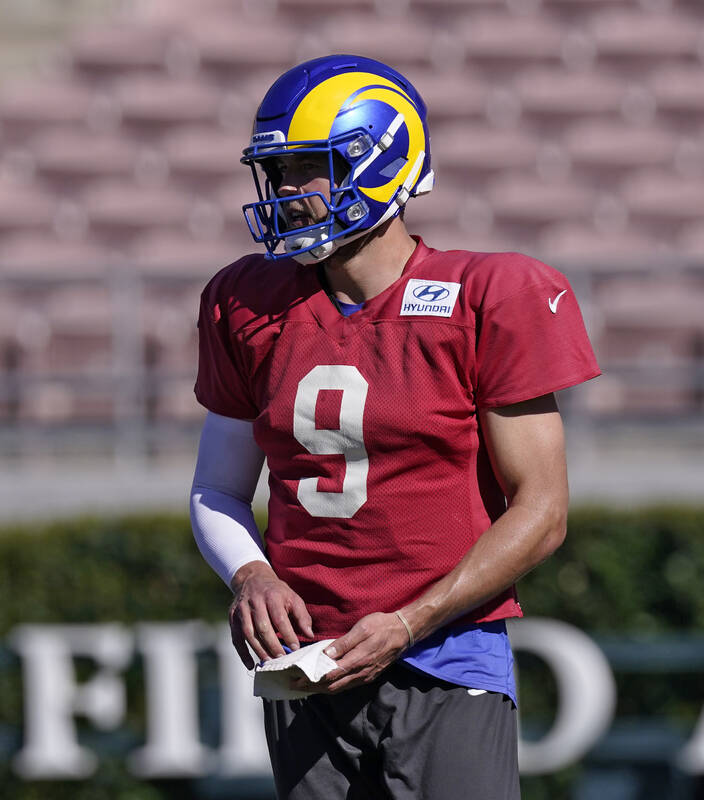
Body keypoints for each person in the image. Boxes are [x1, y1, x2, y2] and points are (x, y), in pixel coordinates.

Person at [189, 54, 600, 799]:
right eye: (275, 174)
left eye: (304, 170)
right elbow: (215, 489)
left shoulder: (489, 295)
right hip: (306, 665)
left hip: (446, 654)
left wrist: (411, 622)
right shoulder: (244, 301)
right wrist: (249, 573)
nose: (284, 193)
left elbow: (542, 512)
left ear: (376, 162)